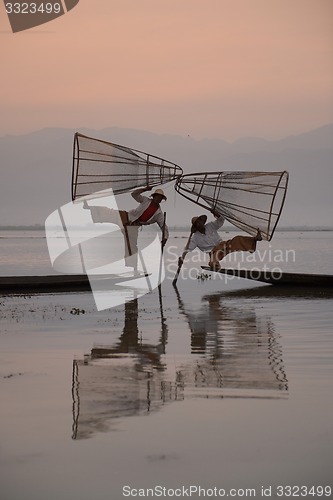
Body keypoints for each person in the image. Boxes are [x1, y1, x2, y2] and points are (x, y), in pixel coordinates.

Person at [84, 186, 168, 268]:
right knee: (111, 212)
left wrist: (165, 238)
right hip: (127, 217)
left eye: (160, 198)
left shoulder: (159, 214)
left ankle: (133, 267)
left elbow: (163, 226)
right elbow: (134, 194)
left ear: (161, 200)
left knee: (132, 247)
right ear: (153, 196)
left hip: (134, 226)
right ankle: (89, 207)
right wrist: (144, 189)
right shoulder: (145, 200)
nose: (158, 199)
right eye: (157, 196)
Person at [179, 212, 262, 270]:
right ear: (196, 226)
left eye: (200, 222)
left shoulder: (210, 226)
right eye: (197, 223)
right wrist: (182, 258)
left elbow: (221, 221)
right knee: (213, 261)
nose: (200, 224)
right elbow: (187, 249)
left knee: (237, 239)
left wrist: (217, 215)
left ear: (203, 222)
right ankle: (216, 265)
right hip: (214, 252)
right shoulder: (195, 238)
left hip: (224, 245)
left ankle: (255, 239)